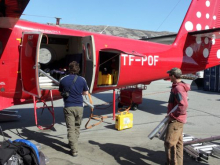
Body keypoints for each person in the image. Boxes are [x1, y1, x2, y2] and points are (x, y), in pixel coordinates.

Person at [59, 61, 88, 157]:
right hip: (79, 106)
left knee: (70, 128)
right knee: (77, 126)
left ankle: (74, 148)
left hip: (68, 106)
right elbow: (85, 93)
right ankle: (73, 143)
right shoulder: (82, 79)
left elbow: (60, 92)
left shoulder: (63, 80)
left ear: (69, 69)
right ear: (78, 69)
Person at [164, 67, 190, 165]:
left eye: (170, 75)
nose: (169, 76)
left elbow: (183, 105)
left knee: (169, 143)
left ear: (173, 76)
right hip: (178, 120)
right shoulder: (177, 86)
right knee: (178, 143)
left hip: (176, 120)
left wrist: (173, 115)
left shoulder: (178, 88)